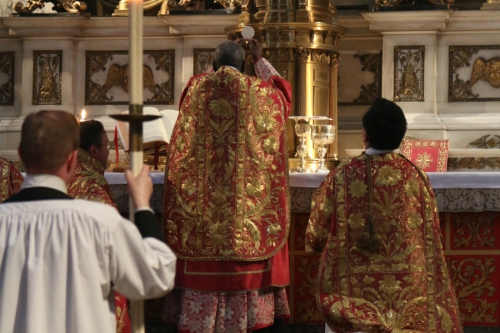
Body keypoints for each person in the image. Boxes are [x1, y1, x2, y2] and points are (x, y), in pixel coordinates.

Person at [0, 110, 177, 333]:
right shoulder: (99, 222)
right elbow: (158, 275)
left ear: (21, 156)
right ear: (73, 158)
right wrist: (142, 205)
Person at [163, 39, 292, 332]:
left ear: (214, 64)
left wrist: (217, 64)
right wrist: (260, 60)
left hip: (205, 207)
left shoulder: (197, 88)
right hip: (243, 210)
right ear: (245, 64)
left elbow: (196, 84)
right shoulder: (261, 91)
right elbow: (283, 98)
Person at [306, 98, 462, 333]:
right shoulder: (417, 177)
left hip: (353, 302)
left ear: (364, 134)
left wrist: (315, 244)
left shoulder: (342, 176)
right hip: (410, 303)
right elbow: (432, 238)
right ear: (401, 136)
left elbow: (316, 233)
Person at [67, 119, 130, 333]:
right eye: (108, 146)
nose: (110, 152)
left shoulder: (64, 175)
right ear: (94, 150)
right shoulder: (94, 185)